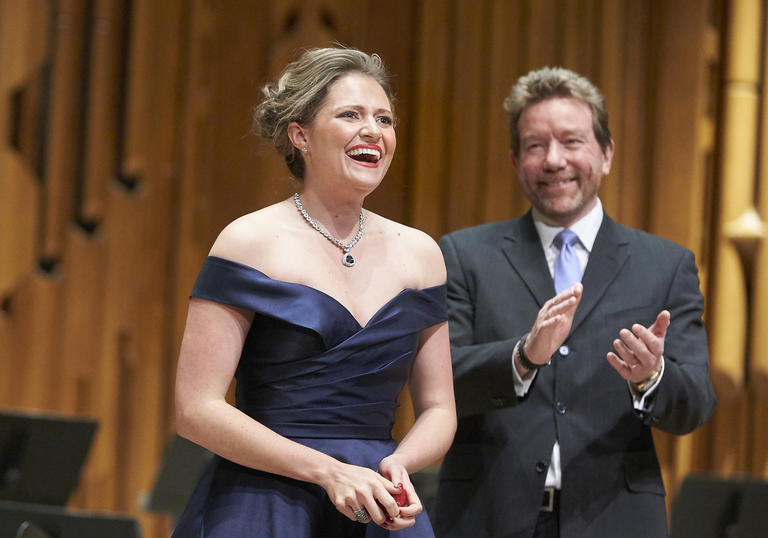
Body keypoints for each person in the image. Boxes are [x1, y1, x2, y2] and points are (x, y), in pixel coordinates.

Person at [172, 47, 456, 538]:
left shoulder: (422, 253)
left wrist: (396, 466)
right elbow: (196, 409)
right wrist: (328, 471)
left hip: (379, 500)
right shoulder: (248, 242)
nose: (374, 130)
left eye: (384, 119)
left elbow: (439, 409)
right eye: (351, 115)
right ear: (300, 135)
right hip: (264, 500)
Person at [431, 66, 717, 538]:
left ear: (606, 154)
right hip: (485, 516)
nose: (553, 160)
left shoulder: (665, 264)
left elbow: (696, 404)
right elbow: (439, 382)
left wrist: (651, 377)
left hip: (615, 518)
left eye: (572, 141)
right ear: (514, 159)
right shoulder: (464, 256)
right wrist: (522, 358)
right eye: (535, 146)